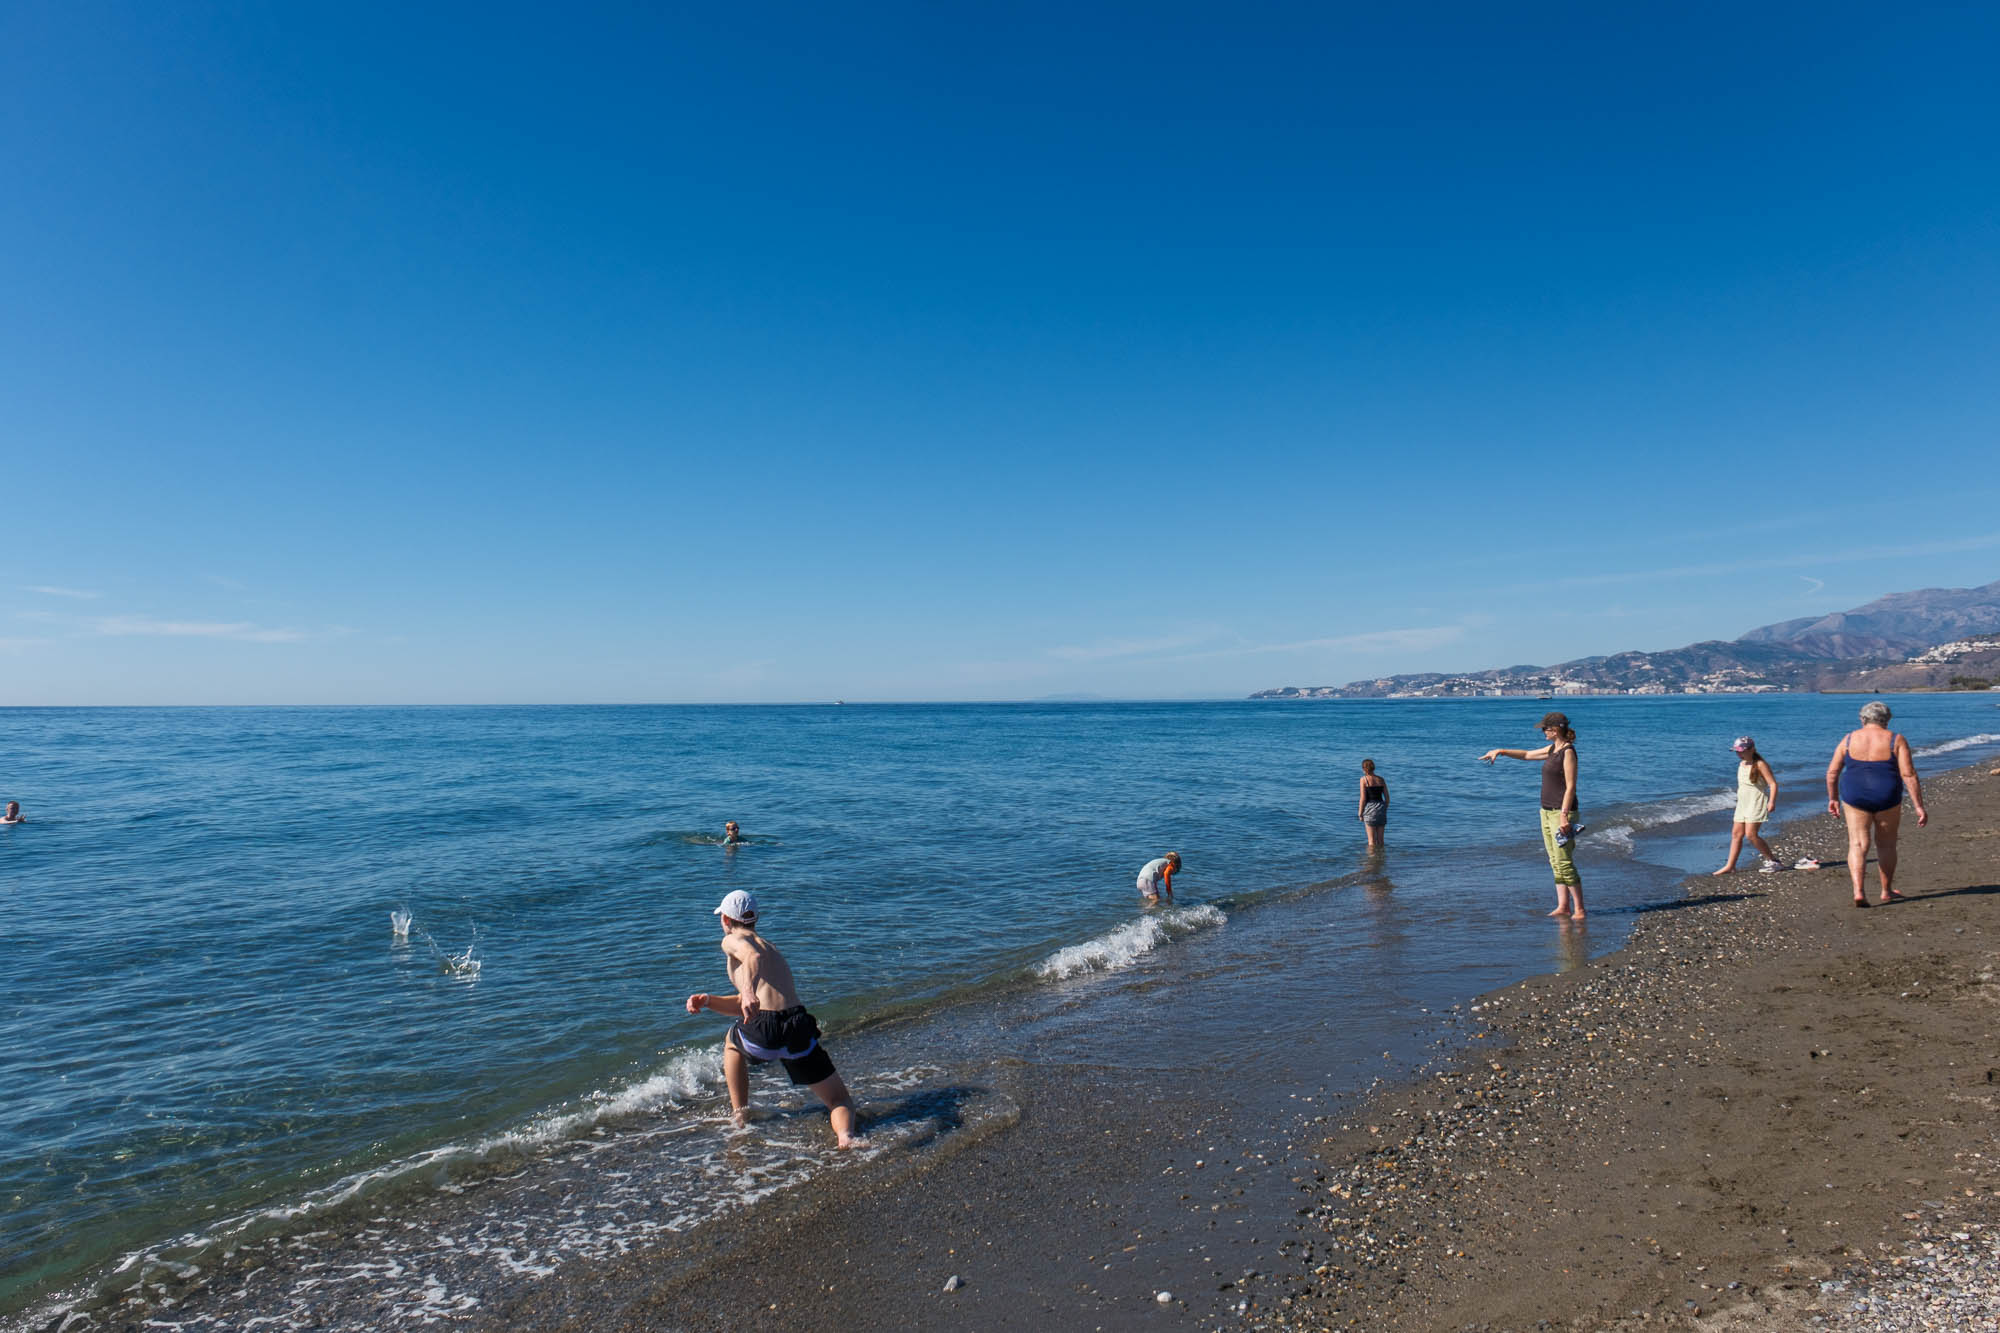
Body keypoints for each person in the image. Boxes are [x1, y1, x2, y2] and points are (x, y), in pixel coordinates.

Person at [685, 890, 860, 1147]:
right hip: (797, 1027)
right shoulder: (771, 948)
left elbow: (750, 961)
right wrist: (710, 1001)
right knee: (839, 1100)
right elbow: (753, 1005)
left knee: (732, 1041)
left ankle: (740, 1116)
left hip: (767, 1029)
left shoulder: (732, 940)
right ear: (756, 918)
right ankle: (846, 1137)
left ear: (725, 919)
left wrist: (746, 991)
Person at [1480, 712, 1585, 919]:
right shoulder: (1553, 749)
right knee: (1554, 861)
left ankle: (1580, 909)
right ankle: (1563, 906)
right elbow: (1527, 755)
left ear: (1555, 729)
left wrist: (1564, 816)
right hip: (1545, 812)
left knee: (1564, 861)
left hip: (1561, 813)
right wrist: (1501, 751)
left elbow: (1571, 786)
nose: (1543, 732)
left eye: (1545, 729)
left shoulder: (1568, 752)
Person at [1825, 700, 1928, 907]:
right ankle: (1886, 890)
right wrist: (1918, 806)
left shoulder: (1848, 739)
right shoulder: (1896, 739)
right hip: (1887, 795)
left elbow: (1832, 773)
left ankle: (1858, 891)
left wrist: (1833, 798)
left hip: (1855, 795)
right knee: (1887, 844)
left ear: (1862, 719)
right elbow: (1908, 775)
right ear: (1887, 720)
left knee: (1858, 844)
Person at [1713, 736, 1781, 875]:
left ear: (1752, 750)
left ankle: (1774, 861)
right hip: (1743, 803)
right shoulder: (1742, 764)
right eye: (1737, 751)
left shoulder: (1760, 764)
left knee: (1751, 835)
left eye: (1742, 751)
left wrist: (1772, 801)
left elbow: (1773, 784)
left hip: (1757, 801)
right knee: (1736, 834)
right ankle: (1730, 865)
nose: (1739, 754)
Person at [1357, 760, 1389, 849]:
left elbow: (1363, 799)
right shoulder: (1381, 779)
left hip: (1370, 809)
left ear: (1364, 769)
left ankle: (1372, 861)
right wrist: (1384, 808)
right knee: (1381, 840)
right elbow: (1387, 798)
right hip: (1381, 808)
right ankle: (1381, 860)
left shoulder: (1364, 779)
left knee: (1371, 841)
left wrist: (1360, 813)